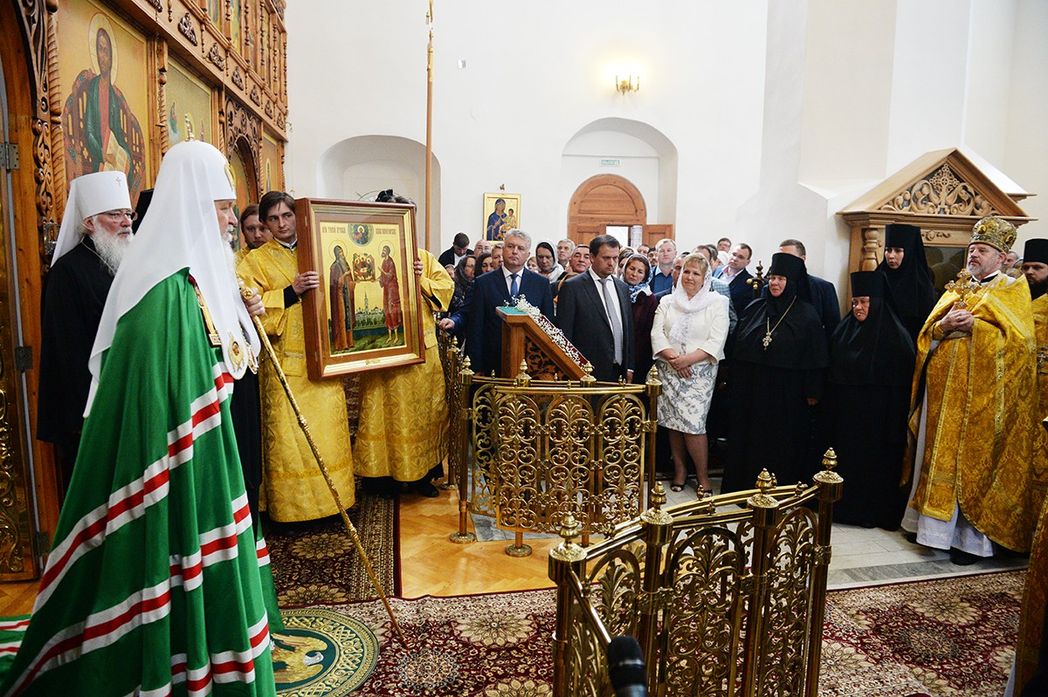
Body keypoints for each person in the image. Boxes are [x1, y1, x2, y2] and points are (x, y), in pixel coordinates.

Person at [1, 140, 277, 695]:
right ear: (195, 206)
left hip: (206, 454)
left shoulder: (188, 279)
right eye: (224, 207)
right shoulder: (163, 292)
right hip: (174, 460)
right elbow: (163, 396)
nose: (232, 221)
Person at [902, 216, 1042, 564]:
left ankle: (968, 541)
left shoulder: (1012, 290)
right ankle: (931, 531)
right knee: (935, 457)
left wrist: (977, 328)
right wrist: (943, 326)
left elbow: (1022, 344)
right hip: (943, 396)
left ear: (1001, 257)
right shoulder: (956, 287)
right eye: (972, 249)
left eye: (982, 250)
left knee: (973, 466)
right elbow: (927, 335)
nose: (974, 255)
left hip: (983, 399)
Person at [237, 191, 355, 523]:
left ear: (297, 215)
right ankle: (293, 510)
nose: (282, 224)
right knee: (290, 439)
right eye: (273, 219)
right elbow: (247, 308)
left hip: (324, 358)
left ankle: (335, 502)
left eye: (287, 216)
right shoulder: (255, 262)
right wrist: (291, 292)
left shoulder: (318, 249)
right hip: (284, 364)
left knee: (327, 433)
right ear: (264, 223)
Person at [37, 170, 133, 498]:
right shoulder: (67, 273)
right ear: (89, 223)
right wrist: (90, 418)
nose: (126, 222)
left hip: (129, 401)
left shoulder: (125, 264)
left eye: (128, 214)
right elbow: (65, 355)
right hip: (92, 412)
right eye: (115, 215)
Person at [722, 252, 828, 493]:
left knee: (780, 442)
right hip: (752, 390)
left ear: (792, 282)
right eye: (772, 278)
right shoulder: (755, 308)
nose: (774, 283)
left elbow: (816, 357)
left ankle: (779, 491)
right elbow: (738, 346)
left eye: (781, 279)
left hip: (787, 395)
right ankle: (745, 488)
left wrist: (812, 391)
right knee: (751, 439)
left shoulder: (807, 315)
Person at [355, 249, 454, 498]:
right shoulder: (371, 254)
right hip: (383, 353)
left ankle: (422, 476)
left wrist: (421, 279)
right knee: (384, 413)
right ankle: (384, 477)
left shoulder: (423, 258)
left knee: (423, 413)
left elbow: (446, 290)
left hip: (421, 353)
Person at [823, 271, 915, 529]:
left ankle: (870, 512)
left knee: (873, 467)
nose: (858, 308)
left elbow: (900, 388)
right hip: (846, 417)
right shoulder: (844, 330)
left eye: (864, 302)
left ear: (877, 303)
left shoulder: (896, 338)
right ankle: (843, 509)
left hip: (878, 420)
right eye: (855, 302)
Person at [651, 254, 730, 495]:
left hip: (699, 373)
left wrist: (687, 360)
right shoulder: (667, 301)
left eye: (696, 273)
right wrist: (675, 360)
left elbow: (716, 339)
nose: (690, 277)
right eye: (686, 271)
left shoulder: (718, 302)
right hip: (669, 369)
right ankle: (680, 470)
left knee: (693, 425)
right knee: (673, 423)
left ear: (705, 278)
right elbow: (657, 334)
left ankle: (703, 477)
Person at [464, 230, 554, 376]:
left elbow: (547, 327)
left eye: (520, 248)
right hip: (492, 362)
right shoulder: (484, 283)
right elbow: (475, 326)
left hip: (530, 364)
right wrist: (476, 366)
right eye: (510, 246)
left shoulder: (541, 284)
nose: (514, 251)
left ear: (528, 254)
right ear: (503, 249)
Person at [556, 235, 634, 382]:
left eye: (615, 258)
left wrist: (629, 366)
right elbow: (565, 334)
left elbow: (628, 330)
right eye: (606, 258)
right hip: (586, 372)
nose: (611, 263)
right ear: (592, 257)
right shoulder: (573, 287)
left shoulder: (622, 288)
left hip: (619, 372)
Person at [877, 223, 936, 342]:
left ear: (909, 252)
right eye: (888, 250)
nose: (891, 256)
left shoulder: (922, 284)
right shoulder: (878, 275)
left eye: (898, 251)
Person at [778, 238, 840, 341]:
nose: (784, 262)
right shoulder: (770, 289)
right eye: (781, 258)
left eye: (789, 258)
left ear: (802, 259)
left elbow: (833, 329)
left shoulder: (824, 288)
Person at [622, 253, 658, 384]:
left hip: (638, 358)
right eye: (632, 268)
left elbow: (646, 334)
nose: (634, 274)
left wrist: (631, 364)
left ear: (645, 276)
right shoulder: (615, 290)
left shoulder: (649, 298)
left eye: (640, 271)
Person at [1023, 239, 1048, 412]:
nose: (1030, 272)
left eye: (1037, 268)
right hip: (1020, 373)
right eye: (1025, 268)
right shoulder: (1013, 298)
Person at [690, 247, 738, 335]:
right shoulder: (684, 283)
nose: (697, 264)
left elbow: (732, 319)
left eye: (702, 260)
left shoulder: (720, 286)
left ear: (710, 263)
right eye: (694, 259)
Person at [437, 254, 475, 341]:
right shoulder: (454, 285)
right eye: (471, 266)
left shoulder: (478, 285)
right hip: (456, 328)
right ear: (463, 268)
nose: (474, 269)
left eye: (476, 266)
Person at [715, 243, 755, 317]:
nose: (735, 258)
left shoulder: (749, 283)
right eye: (734, 254)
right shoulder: (717, 270)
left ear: (748, 262)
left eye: (740, 257)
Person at [329, 245, 354, 350]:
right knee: (342, 317)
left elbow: (350, 281)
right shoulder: (335, 266)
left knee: (348, 318)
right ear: (336, 254)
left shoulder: (345, 265)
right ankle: (342, 344)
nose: (342, 254)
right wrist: (344, 275)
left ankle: (349, 342)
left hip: (346, 294)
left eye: (342, 252)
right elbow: (336, 283)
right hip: (339, 296)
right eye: (339, 252)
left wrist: (353, 282)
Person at [379, 244, 403, 342]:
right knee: (386, 310)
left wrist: (382, 272)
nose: (383, 251)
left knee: (392, 310)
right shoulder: (383, 262)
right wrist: (377, 279)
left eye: (384, 250)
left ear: (387, 252)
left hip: (392, 289)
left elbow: (390, 275)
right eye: (382, 250)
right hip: (386, 289)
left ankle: (396, 336)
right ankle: (389, 336)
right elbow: (383, 277)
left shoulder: (391, 262)